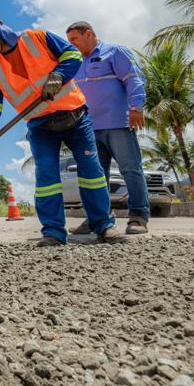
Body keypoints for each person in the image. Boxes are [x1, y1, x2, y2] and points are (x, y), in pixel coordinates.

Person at [0, 9, 125, 246]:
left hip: (76, 117)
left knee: (91, 173)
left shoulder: (38, 38)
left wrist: (58, 76)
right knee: (47, 177)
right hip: (40, 126)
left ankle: (103, 226)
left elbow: (72, 54)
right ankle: (53, 232)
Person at [66, 22, 150, 235]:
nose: (72, 44)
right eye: (69, 41)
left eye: (75, 39)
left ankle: (138, 217)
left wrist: (136, 107)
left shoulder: (114, 52)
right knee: (94, 175)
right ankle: (97, 218)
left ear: (89, 34)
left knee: (130, 169)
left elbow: (134, 78)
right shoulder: (75, 62)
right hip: (88, 127)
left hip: (118, 123)